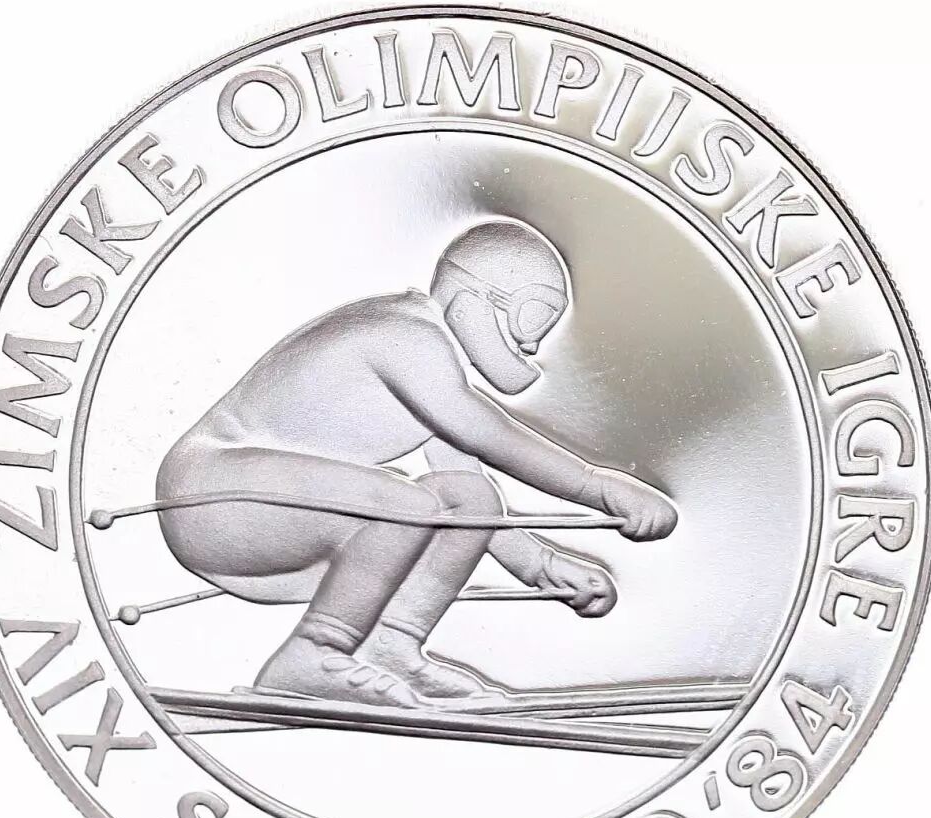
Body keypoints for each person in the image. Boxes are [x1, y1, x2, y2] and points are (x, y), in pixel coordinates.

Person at [154, 219, 677, 708]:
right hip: (209, 495)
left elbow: (472, 504)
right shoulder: (405, 335)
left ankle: (389, 645)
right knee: (402, 504)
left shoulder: (432, 374)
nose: (530, 340)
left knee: (467, 498)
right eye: (530, 315)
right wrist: (597, 487)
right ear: (472, 296)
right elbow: (485, 432)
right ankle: (312, 653)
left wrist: (540, 566)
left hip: (256, 513)